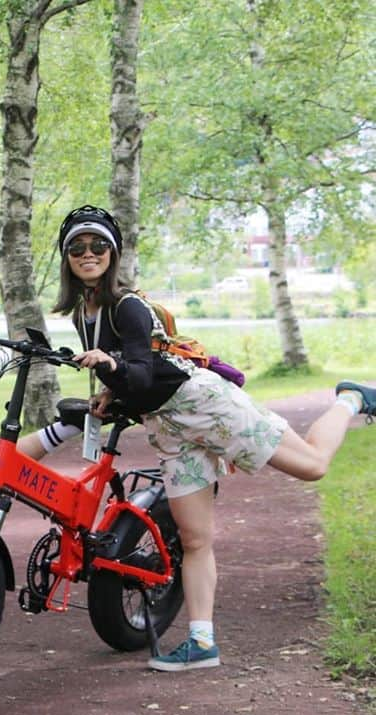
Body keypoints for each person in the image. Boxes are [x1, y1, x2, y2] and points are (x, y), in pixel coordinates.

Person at [48, 205, 375, 671]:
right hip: (167, 425)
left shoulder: (127, 306)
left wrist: (112, 367)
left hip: (202, 404)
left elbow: (139, 371)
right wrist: (108, 391)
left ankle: (352, 401)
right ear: (65, 257)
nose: (88, 253)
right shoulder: (85, 311)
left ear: (114, 253)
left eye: (99, 245)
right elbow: (135, 379)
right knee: (195, 536)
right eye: (77, 247)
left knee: (312, 466)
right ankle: (202, 643)